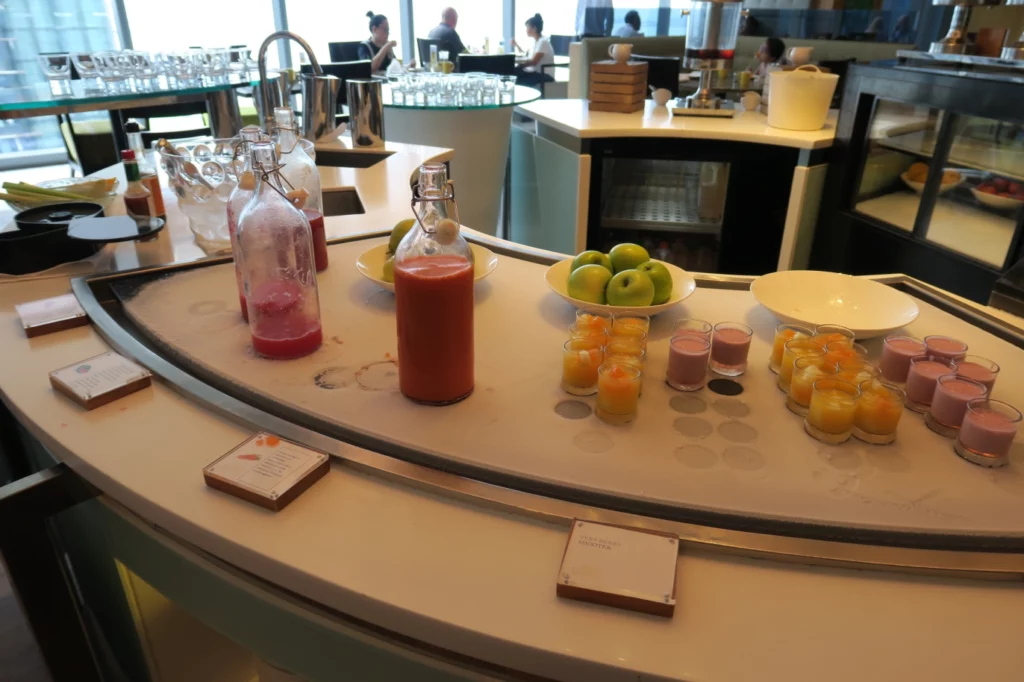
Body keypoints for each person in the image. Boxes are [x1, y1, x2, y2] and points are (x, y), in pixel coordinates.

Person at [512, 14, 555, 89]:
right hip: (536, 73)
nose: (526, 30)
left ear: (534, 28)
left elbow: (533, 62)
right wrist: (516, 45)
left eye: (527, 27)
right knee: (515, 73)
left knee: (517, 77)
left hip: (545, 75)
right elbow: (525, 56)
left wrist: (519, 65)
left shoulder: (543, 42)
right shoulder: (535, 42)